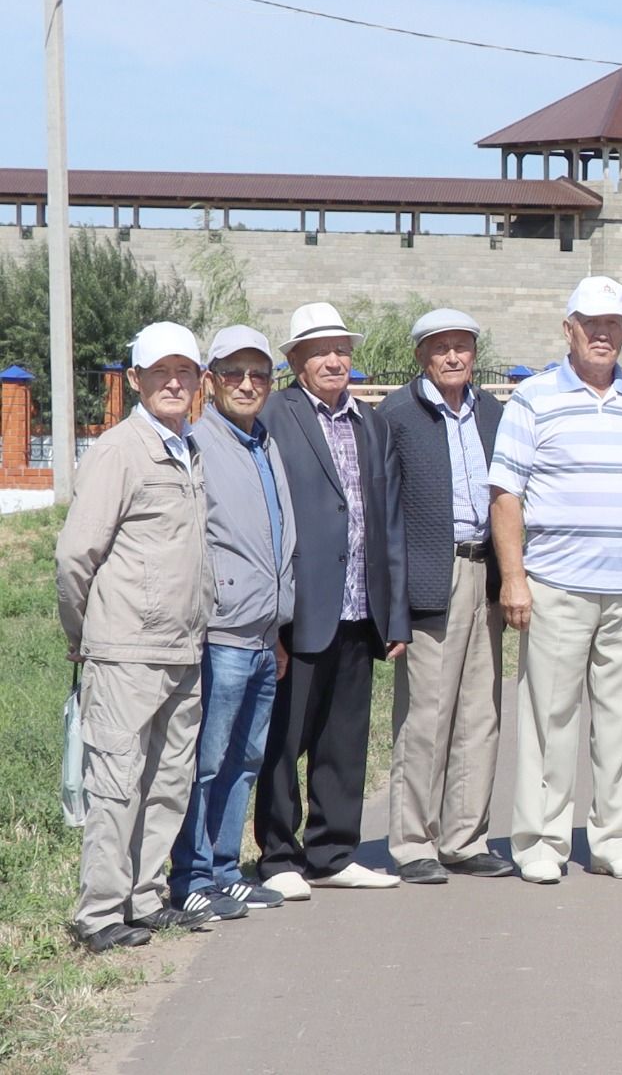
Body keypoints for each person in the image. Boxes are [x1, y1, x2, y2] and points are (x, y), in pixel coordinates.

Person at [489, 276, 622, 884]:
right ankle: (542, 842)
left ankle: (612, 840)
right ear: (568, 328)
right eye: (592, 323)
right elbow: (506, 494)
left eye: (613, 325)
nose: (603, 334)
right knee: (550, 717)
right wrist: (514, 578)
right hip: (555, 585)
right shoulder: (534, 398)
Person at [57, 322, 215, 952]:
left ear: (200, 382)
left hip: (182, 647)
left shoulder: (186, 447)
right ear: (135, 381)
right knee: (118, 784)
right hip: (126, 650)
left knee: (168, 781)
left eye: (184, 372)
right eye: (160, 373)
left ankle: (145, 900)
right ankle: (99, 914)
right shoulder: (120, 451)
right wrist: (85, 633)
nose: (173, 382)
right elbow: (75, 557)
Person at [255, 302, 410, 899]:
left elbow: (387, 520)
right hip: (300, 608)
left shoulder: (371, 423)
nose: (334, 360)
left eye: (341, 349)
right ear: (295, 360)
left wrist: (392, 612)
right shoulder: (274, 413)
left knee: (343, 739)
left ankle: (333, 850)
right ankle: (278, 857)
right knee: (283, 739)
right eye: (319, 350)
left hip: (358, 607)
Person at [376, 309, 513, 884]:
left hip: (487, 572)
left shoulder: (494, 412)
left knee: (480, 712)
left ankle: (465, 836)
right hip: (434, 579)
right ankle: (413, 844)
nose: (454, 357)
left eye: (463, 346)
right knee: (427, 714)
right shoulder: (397, 416)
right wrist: (395, 601)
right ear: (421, 357)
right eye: (441, 348)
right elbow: (384, 514)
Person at [167, 326, 297, 922]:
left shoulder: (262, 441)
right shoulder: (199, 442)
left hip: (262, 635)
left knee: (245, 758)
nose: (248, 384)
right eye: (235, 373)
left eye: (260, 374)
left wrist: (276, 628)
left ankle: (224, 869)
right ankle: (189, 876)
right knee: (207, 759)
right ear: (212, 380)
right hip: (221, 634)